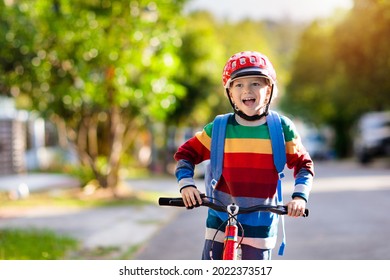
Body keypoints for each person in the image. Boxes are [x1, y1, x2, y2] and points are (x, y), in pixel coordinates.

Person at [174, 51, 314, 260]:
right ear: (230, 93)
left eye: (256, 83)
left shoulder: (281, 128)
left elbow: (304, 165)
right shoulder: (219, 128)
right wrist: (187, 184)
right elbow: (185, 154)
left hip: (261, 224)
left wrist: (299, 198)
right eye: (238, 84)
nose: (247, 90)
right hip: (220, 221)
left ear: (269, 91)